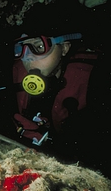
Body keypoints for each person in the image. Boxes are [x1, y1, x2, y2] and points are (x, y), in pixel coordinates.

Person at [11, 32, 111, 162]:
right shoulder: (16, 72)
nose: (27, 58)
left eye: (39, 47)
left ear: (64, 48)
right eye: (21, 48)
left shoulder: (97, 80)